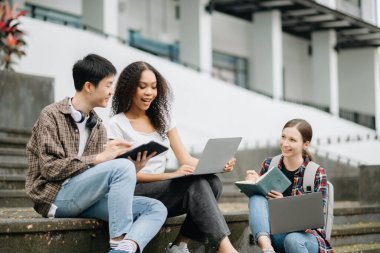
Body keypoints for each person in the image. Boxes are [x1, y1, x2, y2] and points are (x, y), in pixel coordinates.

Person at [25, 54, 167, 253]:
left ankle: (123, 250)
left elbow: (98, 174)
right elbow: (50, 169)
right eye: (108, 85)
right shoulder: (51, 115)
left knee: (156, 208)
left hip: (86, 198)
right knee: (121, 166)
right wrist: (100, 158)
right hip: (55, 198)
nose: (111, 91)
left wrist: (132, 169)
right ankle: (118, 240)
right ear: (89, 86)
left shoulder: (98, 125)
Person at [107, 61, 239, 253]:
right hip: (133, 192)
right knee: (195, 185)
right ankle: (226, 249)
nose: (149, 93)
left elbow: (185, 158)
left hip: (161, 190)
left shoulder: (163, 119)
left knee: (212, 182)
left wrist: (218, 165)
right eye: (142, 87)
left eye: (153, 87)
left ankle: (179, 246)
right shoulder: (116, 124)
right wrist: (171, 176)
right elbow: (122, 176)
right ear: (129, 88)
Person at [245, 119, 333, 253]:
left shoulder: (316, 173)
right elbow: (259, 206)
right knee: (256, 197)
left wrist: (283, 205)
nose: (285, 143)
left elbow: (315, 218)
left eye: (292, 140)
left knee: (293, 239)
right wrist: (253, 183)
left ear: (305, 144)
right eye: (283, 137)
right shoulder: (269, 164)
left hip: (306, 237)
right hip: (275, 234)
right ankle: (267, 249)